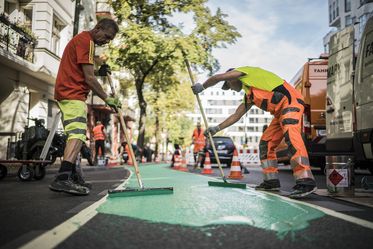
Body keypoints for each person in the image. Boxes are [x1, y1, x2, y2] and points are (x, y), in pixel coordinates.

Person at [192, 66, 317, 198]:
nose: (231, 88)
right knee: (265, 143)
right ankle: (271, 181)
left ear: (232, 77)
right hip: (280, 112)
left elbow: (217, 77)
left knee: (291, 135)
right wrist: (216, 129)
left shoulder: (246, 72)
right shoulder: (249, 96)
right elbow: (236, 116)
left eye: (228, 84)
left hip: (291, 102)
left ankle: (306, 180)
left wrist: (203, 87)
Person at [49, 18, 120, 196]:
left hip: (69, 93)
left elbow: (82, 70)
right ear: (98, 28)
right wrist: (107, 98)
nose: (107, 41)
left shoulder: (83, 41)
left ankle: (72, 176)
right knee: (77, 135)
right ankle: (63, 178)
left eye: (110, 39)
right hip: (72, 95)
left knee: (76, 136)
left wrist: (98, 72)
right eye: (107, 36)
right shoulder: (86, 42)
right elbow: (88, 78)